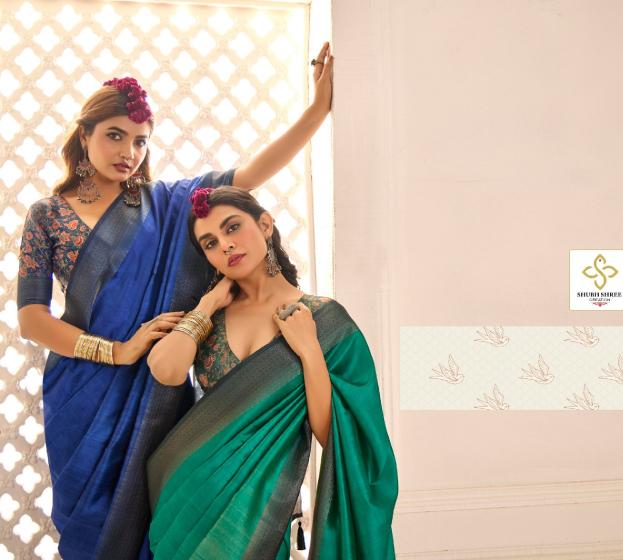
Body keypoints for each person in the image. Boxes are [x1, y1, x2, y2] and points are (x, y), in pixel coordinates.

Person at [16, 43, 334, 559]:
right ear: (85, 134)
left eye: (140, 141)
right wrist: (117, 351)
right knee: (88, 529)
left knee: (158, 520)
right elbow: (32, 319)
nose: (129, 151)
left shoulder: (166, 205)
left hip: (157, 387)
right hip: (81, 390)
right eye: (115, 135)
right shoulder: (47, 215)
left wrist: (318, 110)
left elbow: (248, 177)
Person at [145, 187, 398, 559]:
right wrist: (207, 304)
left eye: (233, 227)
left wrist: (309, 350)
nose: (226, 245)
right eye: (210, 243)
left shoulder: (324, 320)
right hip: (189, 501)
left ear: (265, 225)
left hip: (262, 509)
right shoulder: (210, 319)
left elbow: (333, 434)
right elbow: (165, 370)